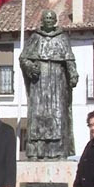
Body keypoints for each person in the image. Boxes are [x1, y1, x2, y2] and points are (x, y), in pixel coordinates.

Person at [19, 9, 79, 160]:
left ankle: (57, 151)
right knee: (38, 115)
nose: (49, 20)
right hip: (39, 83)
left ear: (55, 21)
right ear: (42, 20)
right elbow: (23, 58)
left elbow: (69, 60)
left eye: (52, 18)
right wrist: (30, 67)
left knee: (58, 115)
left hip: (58, 82)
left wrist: (73, 74)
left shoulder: (62, 38)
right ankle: (36, 152)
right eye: (46, 18)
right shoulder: (35, 38)